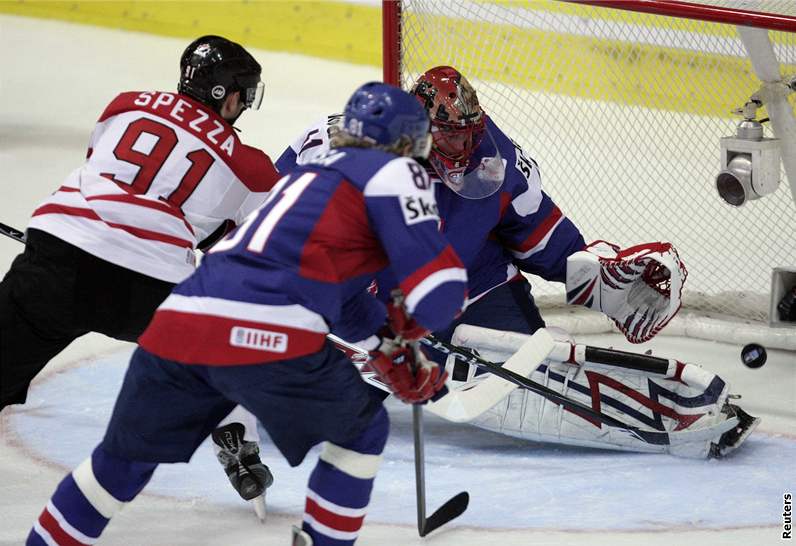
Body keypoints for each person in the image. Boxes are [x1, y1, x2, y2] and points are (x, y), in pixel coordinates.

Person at [26, 82, 467, 546]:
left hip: (179, 320)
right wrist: (411, 332)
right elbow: (441, 295)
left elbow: (346, 297)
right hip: (266, 330)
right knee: (363, 429)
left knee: (119, 463)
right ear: (407, 143)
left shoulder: (306, 179)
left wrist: (382, 343)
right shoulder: (396, 172)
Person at [277, 66, 758, 458]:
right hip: (370, 303)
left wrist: (600, 279)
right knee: (328, 411)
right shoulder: (343, 146)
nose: (464, 150)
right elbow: (264, 218)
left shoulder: (497, 157)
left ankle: (665, 415)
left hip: (472, 283)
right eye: (449, 138)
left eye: (469, 135)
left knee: (535, 380)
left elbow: (537, 236)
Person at [0, 36, 279, 500]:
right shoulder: (251, 167)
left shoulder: (125, 105)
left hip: (60, 254)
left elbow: (105, 169)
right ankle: (237, 442)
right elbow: (247, 246)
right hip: (148, 285)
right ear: (227, 95)